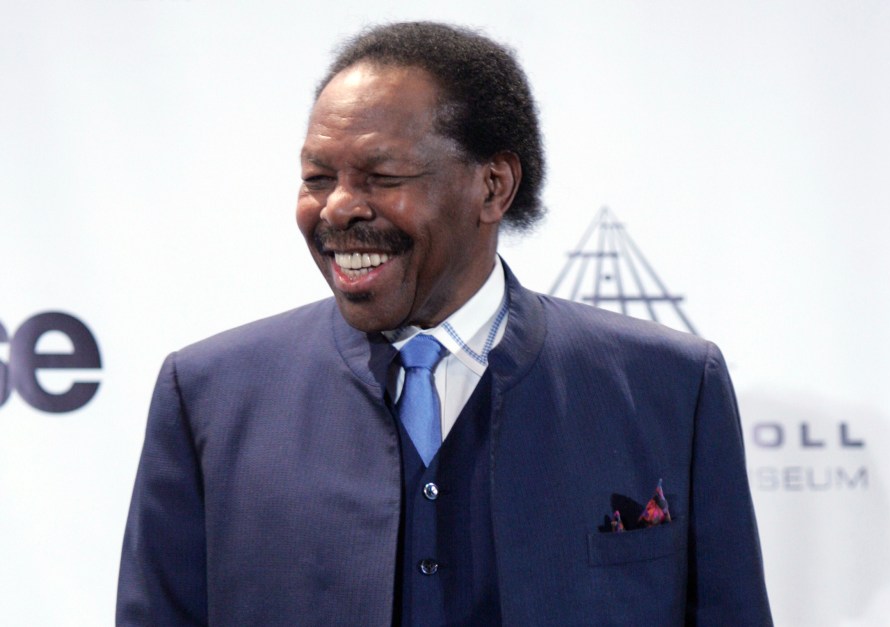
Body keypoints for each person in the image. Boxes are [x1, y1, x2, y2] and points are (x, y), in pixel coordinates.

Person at [117, 21, 772, 626]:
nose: (338, 207)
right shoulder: (207, 393)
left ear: (493, 186)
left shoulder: (670, 385)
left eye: (382, 176)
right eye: (318, 177)